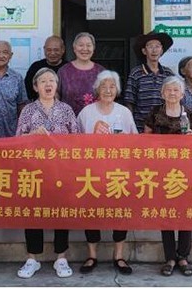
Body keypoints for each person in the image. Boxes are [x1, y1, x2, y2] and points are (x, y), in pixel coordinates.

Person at [15, 67, 80, 279]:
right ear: (36, 87)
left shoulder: (66, 109)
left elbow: (77, 140)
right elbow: (17, 140)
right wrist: (33, 135)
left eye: (52, 80)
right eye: (43, 81)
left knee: (61, 213)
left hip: (60, 170)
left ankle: (61, 257)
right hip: (34, 170)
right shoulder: (28, 110)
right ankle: (32, 258)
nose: (48, 84)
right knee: (33, 214)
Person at [76, 70, 137, 275]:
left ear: (117, 90)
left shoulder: (124, 112)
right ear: (97, 89)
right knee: (91, 213)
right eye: (104, 86)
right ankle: (92, 255)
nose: (108, 90)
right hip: (92, 172)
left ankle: (118, 255)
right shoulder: (86, 113)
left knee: (120, 213)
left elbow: (135, 142)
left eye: (112, 86)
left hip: (118, 172)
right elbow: (75, 142)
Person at [144, 76, 192, 277]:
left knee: (185, 214)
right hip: (161, 171)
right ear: (162, 93)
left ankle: (183, 256)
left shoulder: (190, 115)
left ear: (182, 94)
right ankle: (169, 257)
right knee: (165, 214)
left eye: (176, 90)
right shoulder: (154, 113)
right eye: (168, 90)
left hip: (185, 172)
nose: (172, 93)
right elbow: (145, 140)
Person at [125, 31, 175, 131]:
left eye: (157, 46)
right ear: (144, 51)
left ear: (161, 50)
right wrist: (131, 125)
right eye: (150, 46)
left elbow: (175, 101)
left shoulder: (168, 74)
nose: (154, 50)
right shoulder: (136, 73)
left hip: (164, 127)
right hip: (141, 127)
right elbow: (129, 102)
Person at [57, 32, 105, 116]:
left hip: (94, 120)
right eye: (81, 45)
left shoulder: (101, 71)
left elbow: (107, 97)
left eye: (88, 45)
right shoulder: (63, 71)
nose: (85, 49)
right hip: (67, 119)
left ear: (93, 48)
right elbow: (55, 95)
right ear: (74, 48)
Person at [24, 35, 67, 101]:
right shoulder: (35, 67)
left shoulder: (68, 68)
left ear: (63, 50)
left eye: (56, 50)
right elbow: (27, 91)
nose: (52, 53)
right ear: (44, 49)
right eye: (49, 50)